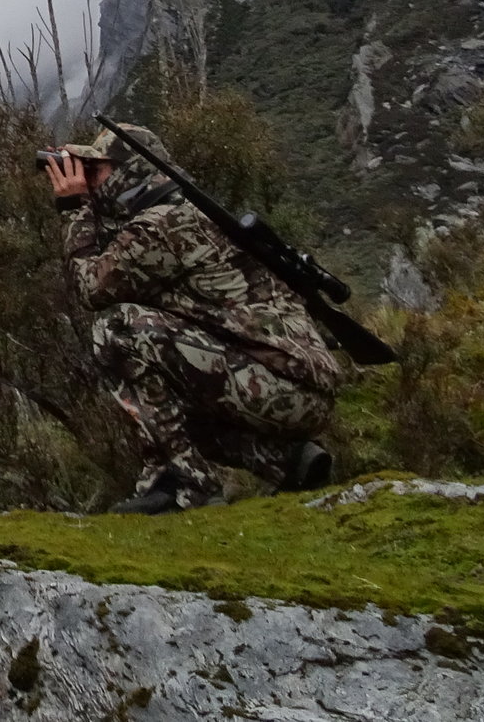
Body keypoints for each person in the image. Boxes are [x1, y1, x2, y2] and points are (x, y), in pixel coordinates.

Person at [41, 124, 341, 515]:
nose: (89, 181)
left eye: (97, 171)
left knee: (117, 329)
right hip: (289, 385)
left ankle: (186, 487)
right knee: (167, 416)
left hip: (281, 386)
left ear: (130, 172)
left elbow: (91, 288)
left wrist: (74, 208)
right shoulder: (182, 214)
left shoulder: (162, 227)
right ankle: (288, 460)